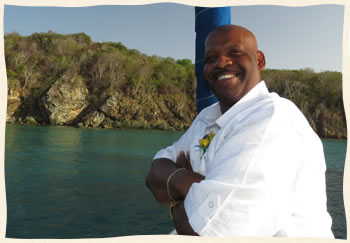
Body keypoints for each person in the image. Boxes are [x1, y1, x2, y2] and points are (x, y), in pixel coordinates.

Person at [145, 24, 334, 237]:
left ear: (260, 60)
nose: (221, 63)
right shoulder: (207, 117)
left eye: (235, 52)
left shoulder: (272, 122)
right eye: (210, 58)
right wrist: (187, 183)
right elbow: (155, 173)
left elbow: (206, 234)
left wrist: (177, 191)